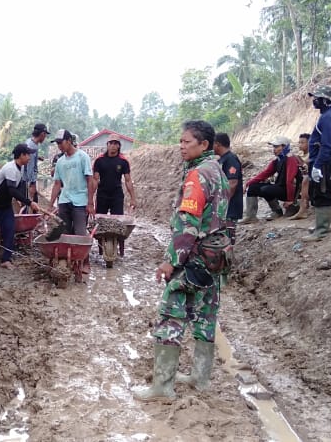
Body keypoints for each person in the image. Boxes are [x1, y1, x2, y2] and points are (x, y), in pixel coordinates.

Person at [132, 120, 230, 401]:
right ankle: (200, 378)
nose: (181, 146)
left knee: (170, 314)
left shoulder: (198, 175)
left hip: (195, 256)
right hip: (215, 255)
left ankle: (162, 387)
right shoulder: (218, 171)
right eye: (181, 141)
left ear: (204, 145)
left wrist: (171, 262)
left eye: (187, 142)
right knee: (206, 314)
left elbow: (189, 223)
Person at [0, 143, 40, 269]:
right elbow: (11, 190)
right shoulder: (10, 168)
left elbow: (18, 188)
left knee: (10, 231)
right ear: (21, 155)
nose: (30, 158)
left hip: (5, 206)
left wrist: (23, 200)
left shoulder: (19, 169)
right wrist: (29, 202)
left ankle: (6, 260)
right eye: (28, 155)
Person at [304, 84, 331, 242]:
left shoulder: (328, 118)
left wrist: (317, 166)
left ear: (325, 100)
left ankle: (322, 230)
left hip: (323, 163)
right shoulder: (329, 115)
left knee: (322, 193)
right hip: (321, 161)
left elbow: (326, 145)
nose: (314, 100)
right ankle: (320, 226)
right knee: (318, 193)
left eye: (317, 98)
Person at [238, 136, 301, 224]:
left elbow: (290, 180)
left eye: (276, 147)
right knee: (253, 188)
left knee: (266, 189)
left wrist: (290, 199)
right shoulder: (277, 161)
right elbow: (265, 174)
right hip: (281, 188)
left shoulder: (291, 159)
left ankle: (279, 210)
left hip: (292, 191)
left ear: (284, 147)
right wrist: (248, 184)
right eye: (273, 147)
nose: (274, 149)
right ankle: (251, 216)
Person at [48, 129, 95, 237]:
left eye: (61, 142)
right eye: (57, 143)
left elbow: (90, 180)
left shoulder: (82, 157)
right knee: (64, 234)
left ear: (69, 140)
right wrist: (50, 205)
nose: (59, 146)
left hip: (80, 202)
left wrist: (90, 203)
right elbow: (57, 184)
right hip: (64, 201)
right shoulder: (60, 162)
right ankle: (66, 253)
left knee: (80, 234)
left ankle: (80, 253)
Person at [92, 134, 137, 215]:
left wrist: (133, 198)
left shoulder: (123, 161)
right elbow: (95, 180)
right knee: (99, 220)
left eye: (115, 143)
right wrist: (90, 199)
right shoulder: (99, 160)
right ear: (107, 145)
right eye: (111, 143)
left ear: (119, 146)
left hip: (117, 195)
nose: (113, 145)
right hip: (102, 194)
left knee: (117, 222)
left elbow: (128, 180)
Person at [212, 133, 243, 241]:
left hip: (230, 207)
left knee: (227, 239)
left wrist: (223, 204)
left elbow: (232, 183)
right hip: (225, 207)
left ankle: (229, 258)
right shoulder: (222, 159)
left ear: (217, 144)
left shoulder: (231, 159)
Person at [23, 123, 51, 205]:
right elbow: (29, 166)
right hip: (27, 181)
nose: (45, 137)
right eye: (45, 135)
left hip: (24, 179)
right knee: (31, 205)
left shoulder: (29, 142)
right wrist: (31, 184)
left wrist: (37, 157)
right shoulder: (33, 147)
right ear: (42, 134)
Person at [289, 133, 312, 220]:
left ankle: (303, 209)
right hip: (300, 177)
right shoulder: (300, 154)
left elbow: (306, 166)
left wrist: (298, 159)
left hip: (310, 178)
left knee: (305, 180)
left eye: (302, 143)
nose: (300, 145)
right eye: (299, 143)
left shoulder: (312, 154)